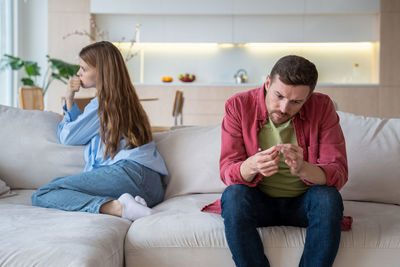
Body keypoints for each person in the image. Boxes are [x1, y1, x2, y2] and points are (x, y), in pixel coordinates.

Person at [202, 55, 352, 267]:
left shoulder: (323, 107)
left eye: (296, 102)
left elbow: (338, 172)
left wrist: (303, 168)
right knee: (233, 195)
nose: (283, 108)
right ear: (267, 83)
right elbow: (228, 170)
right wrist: (252, 165)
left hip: (303, 204)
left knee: (328, 198)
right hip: (258, 203)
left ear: (308, 98)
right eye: (278, 96)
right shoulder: (238, 106)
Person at [31, 41, 168, 221]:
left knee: (44, 193)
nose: (78, 73)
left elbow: (68, 137)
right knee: (59, 186)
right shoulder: (126, 100)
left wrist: (69, 98)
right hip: (153, 188)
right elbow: (82, 129)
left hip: (131, 175)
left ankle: (119, 208)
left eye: (84, 68)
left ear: (102, 71)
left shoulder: (103, 105)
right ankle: (131, 206)